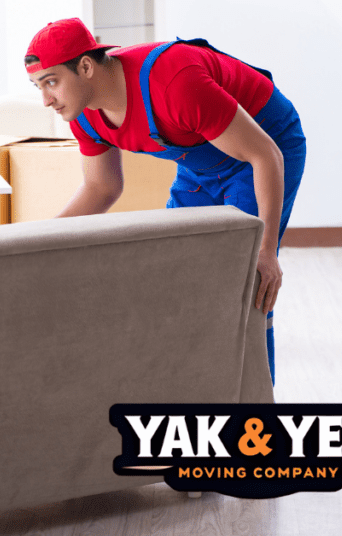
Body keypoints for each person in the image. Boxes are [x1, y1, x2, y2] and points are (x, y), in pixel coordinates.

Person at [24, 18, 305, 384]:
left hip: (265, 146)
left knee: (246, 285)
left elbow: (266, 156)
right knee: (175, 273)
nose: (46, 99)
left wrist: (266, 253)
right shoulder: (85, 116)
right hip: (199, 164)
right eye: (37, 86)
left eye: (51, 82)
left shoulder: (172, 84)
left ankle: (256, 422)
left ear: (86, 67)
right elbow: (102, 188)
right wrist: (39, 240)